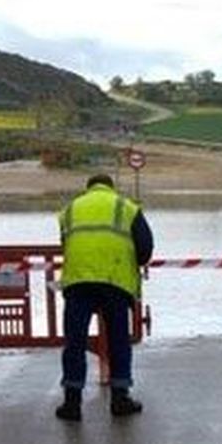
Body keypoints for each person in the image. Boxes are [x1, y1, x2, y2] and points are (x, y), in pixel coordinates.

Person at [55, 173, 154, 421]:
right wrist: (134, 261)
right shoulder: (126, 207)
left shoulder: (70, 210)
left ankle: (72, 402)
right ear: (111, 188)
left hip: (78, 281)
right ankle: (120, 398)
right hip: (115, 281)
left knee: (75, 342)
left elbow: (65, 244)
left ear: (88, 188)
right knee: (118, 339)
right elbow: (145, 247)